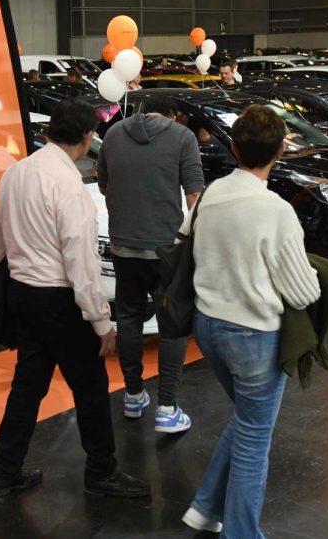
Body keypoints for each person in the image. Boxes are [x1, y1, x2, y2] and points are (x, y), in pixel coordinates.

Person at [0, 99, 150, 500]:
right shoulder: (69, 186)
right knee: (91, 387)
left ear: (50, 131)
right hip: (59, 302)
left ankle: (3, 472)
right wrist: (100, 321)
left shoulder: (17, 173)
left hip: (22, 294)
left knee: (27, 387)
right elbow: (80, 261)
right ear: (87, 137)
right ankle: (101, 473)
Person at [184, 105, 320, 536]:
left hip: (207, 326)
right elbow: (302, 292)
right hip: (253, 335)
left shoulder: (211, 195)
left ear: (235, 147)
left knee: (247, 420)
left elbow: (186, 241)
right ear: (279, 151)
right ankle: (240, 533)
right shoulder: (275, 210)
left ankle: (205, 508)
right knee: (254, 438)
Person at [97, 95, 203, 432]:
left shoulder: (113, 134)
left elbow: (103, 185)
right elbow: (194, 197)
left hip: (123, 245)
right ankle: (167, 407)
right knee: (172, 323)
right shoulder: (182, 136)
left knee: (128, 318)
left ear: (141, 113)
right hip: (166, 248)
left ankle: (132, 395)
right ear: (173, 116)